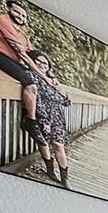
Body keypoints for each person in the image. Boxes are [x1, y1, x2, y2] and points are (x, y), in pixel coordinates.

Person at [0, 0, 50, 146]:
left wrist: (48, 76)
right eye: (17, 12)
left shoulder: (21, 34)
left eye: (24, 16)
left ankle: (34, 116)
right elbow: (23, 55)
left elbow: (31, 54)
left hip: (10, 58)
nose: (20, 17)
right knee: (30, 82)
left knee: (38, 81)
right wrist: (44, 76)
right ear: (9, 9)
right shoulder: (2, 20)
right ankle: (30, 122)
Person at [26, 50, 72, 189]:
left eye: (45, 63)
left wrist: (58, 87)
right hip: (42, 113)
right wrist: (44, 120)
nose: (42, 64)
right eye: (38, 61)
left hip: (57, 116)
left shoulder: (52, 81)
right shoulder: (31, 76)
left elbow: (66, 102)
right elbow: (36, 99)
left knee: (58, 145)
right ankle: (50, 170)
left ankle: (65, 178)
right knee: (44, 142)